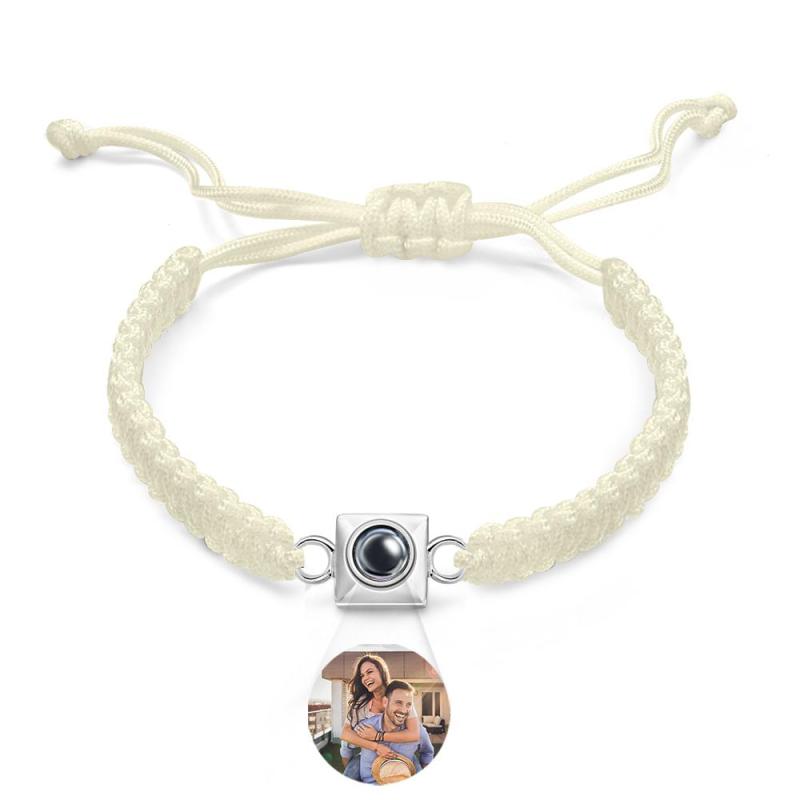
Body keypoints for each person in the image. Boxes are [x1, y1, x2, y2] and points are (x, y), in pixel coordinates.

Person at [339, 655, 422, 781]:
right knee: (349, 774)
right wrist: (376, 747)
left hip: (400, 753)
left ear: (382, 672)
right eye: (362, 675)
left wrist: (378, 736)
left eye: (369, 672)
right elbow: (345, 733)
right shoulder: (361, 704)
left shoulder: (399, 694)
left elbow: (414, 734)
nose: (365, 678)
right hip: (369, 753)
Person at [357, 680, 434, 784]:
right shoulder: (366, 727)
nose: (404, 710)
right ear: (385, 702)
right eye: (398, 702)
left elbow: (428, 752)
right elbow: (346, 748)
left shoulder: (418, 732)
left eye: (408, 705)